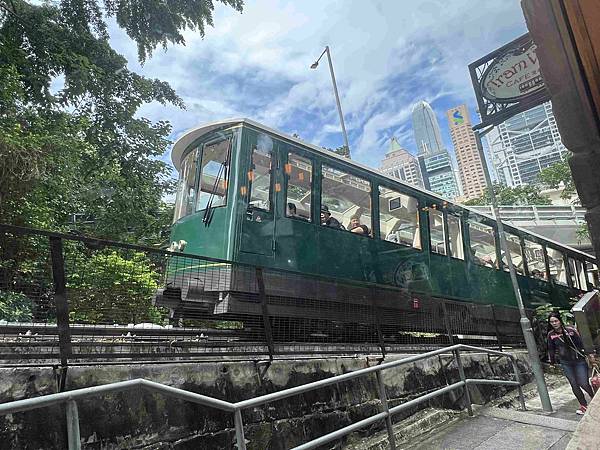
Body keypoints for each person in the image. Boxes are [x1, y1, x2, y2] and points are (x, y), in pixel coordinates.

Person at [547, 312, 596, 415]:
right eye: (552, 322)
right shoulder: (551, 335)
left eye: (556, 321)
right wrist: (552, 362)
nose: (554, 323)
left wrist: (589, 354)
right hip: (565, 363)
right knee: (574, 384)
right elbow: (551, 349)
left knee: (583, 383)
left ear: (560, 321)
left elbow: (581, 343)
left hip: (579, 361)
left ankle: (595, 400)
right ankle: (584, 405)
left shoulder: (570, 331)